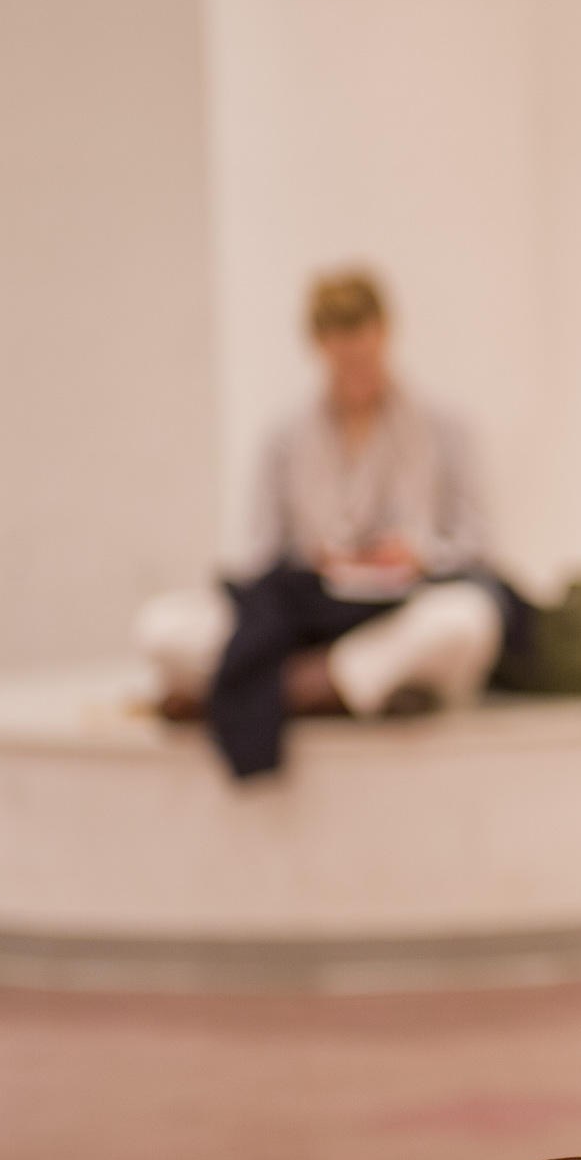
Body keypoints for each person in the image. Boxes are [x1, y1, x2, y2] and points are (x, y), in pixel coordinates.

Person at [135, 269, 515, 779]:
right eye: (341, 356)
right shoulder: (285, 438)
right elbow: (256, 558)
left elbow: (477, 543)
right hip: (308, 619)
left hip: (397, 611)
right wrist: (316, 563)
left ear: (384, 335)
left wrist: (416, 554)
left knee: (466, 623)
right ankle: (340, 690)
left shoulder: (443, 428)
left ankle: (266, 692)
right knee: (161, 629)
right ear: (318, 347)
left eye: (364, 352)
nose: (354, 368)